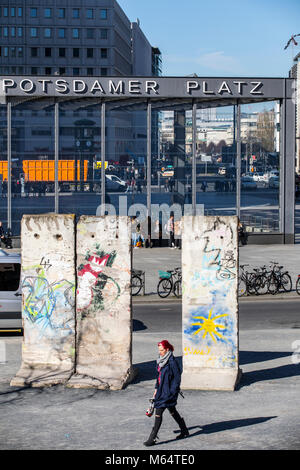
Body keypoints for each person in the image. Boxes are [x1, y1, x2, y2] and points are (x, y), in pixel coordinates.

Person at [143, 340, 189, 447]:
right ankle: (184, 430)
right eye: (159, 350)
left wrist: (172, 393)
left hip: (168, 393)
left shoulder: (172, 362)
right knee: (172, 410)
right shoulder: (160, 360)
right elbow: (158, 377)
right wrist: (155, 389)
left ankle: (152, 438)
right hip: (160, 391)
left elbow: (177, 379)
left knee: (158, 412)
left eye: (162, 350)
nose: (160, 352)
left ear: (167, 349)